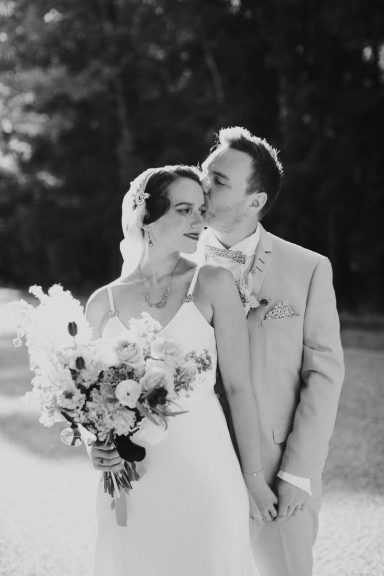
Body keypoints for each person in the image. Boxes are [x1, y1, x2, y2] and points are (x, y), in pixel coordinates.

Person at [85, 165, 275, 576]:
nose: (199, 220)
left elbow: (239, 388)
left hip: (206, 475)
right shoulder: (102, 304)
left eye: (201, 209)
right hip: (131, 485)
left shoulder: (212, 284)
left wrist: (254, 477)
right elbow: (90, 400)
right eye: (184, 209)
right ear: (146, 218)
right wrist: (94, 447)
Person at [196, 127, 345, 576]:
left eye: (220, 180)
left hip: (281, 472)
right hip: (195, 465)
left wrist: (299, 471)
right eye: (205, 172)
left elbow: (324, 374)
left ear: (255, 200)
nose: (204, 184)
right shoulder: (172, 269)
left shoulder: (308, 269)